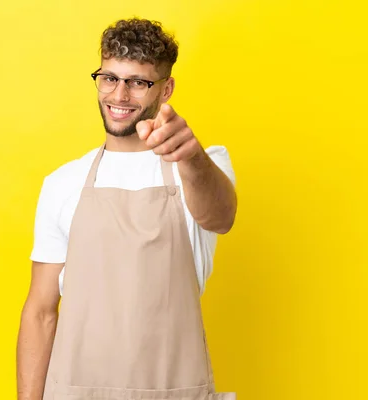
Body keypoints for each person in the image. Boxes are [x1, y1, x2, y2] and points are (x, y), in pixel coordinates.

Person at [17, 18, 237, 400]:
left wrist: (190, 156)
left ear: (165, 89)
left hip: (172, 391)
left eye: (138, 82)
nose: (119, 95)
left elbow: (221, 216)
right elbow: (40, 312)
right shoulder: (63, 183)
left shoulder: (201, 164)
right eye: (109, 78)